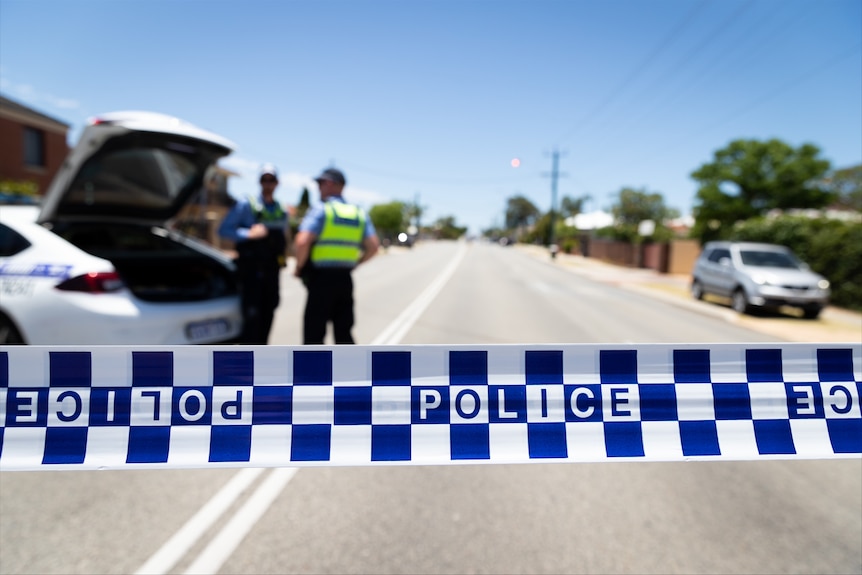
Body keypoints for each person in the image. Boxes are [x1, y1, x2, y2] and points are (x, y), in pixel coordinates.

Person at [293, 167, 379, 344]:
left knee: (314, 336)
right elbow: (373, 247)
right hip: (345, 279)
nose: (318, 188)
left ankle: (314, 372)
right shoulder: (358, 213)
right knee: (344, 334)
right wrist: (357, 263)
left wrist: (299, 267)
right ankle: (349, 371)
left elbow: (302, 241)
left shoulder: (323, 209)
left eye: (320, 183)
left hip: (320, 281)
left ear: (330, 184)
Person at [218, 164, 290, 344]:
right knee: (251, 323)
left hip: (272, 273)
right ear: (259, 182)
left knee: (267, 318)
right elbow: (224, 230)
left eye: (271, 180)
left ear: (277, 183)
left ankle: (261, 364)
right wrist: (248, 234)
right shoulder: (246, 204)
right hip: (251, 272)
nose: (268, 184)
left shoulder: (281, 210)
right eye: (264, 180)